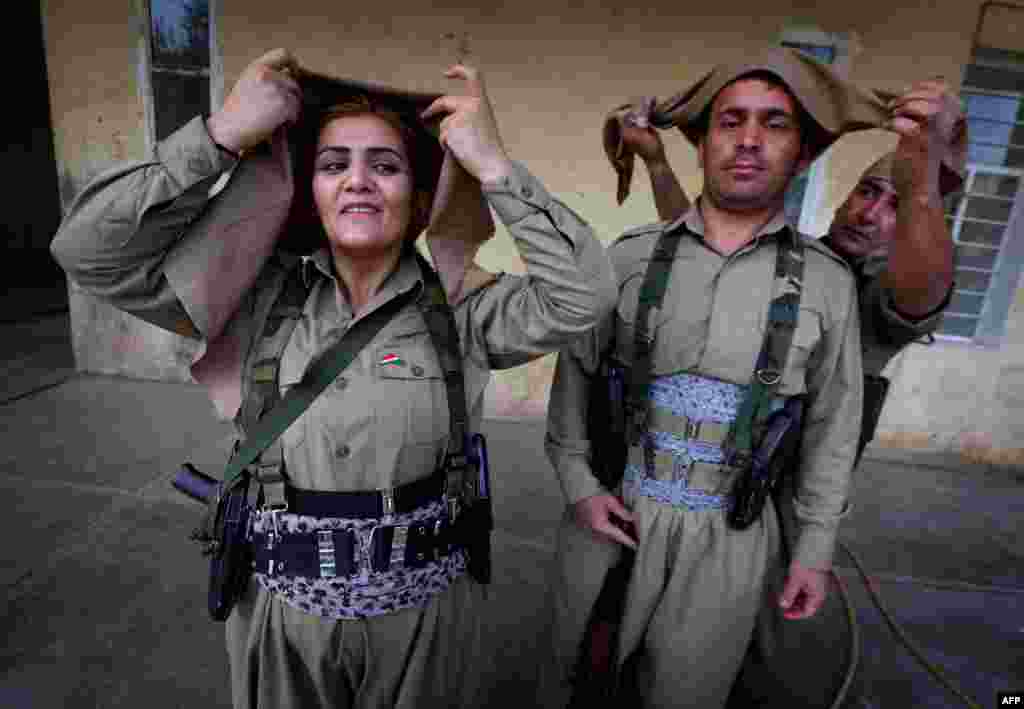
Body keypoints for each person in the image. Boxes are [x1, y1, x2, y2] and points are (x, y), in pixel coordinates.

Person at [50, 49, 617, 709]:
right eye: (332, 164)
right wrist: (220, 136)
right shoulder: (251, 295)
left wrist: (492, 165)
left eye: (385, 165)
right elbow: (86, 249)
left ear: (421, 195)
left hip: (422, 615)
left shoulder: (462, 309)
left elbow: (584, 297)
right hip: (283, 614)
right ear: (305, 192)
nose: (358, 181)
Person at [609, 77, 965, 707]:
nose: (869, 213)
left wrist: (923, 173)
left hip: (780, 514)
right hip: (688, 490)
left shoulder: (882, 298)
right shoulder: (802, 257)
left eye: (897, 205)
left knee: (756, 665)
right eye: (867, 192)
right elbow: (698, 252)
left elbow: (925, 292)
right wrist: (659, 161)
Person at [542, 46, 873, 708]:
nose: (749, 140)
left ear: (803, 153)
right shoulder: (632, 256)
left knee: (686, 692)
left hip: (735, 534)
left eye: (775, 124)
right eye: (731, 120)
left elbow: (836, 427)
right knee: (576, 681)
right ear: (702, 141)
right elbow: (574, 376)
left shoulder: (829, 283)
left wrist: (813, 550)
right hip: (618, 515)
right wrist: (579, 483)